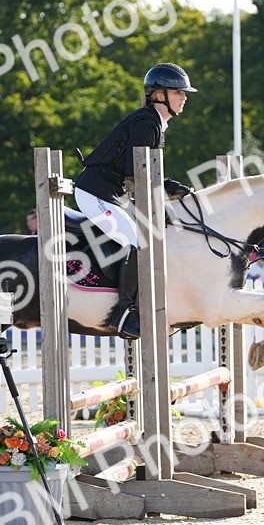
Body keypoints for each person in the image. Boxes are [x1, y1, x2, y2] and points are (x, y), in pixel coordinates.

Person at [74, 62, 197, 339]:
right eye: (179, 92)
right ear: (160, 94)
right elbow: (136, 171)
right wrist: (166, 187)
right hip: (97, 193)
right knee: (136, 240)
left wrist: (168, 186)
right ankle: (124, 313)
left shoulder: (154, 123)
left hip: (111, 193)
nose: (184, 98)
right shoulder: (147, 124)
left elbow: (141, 172)